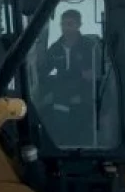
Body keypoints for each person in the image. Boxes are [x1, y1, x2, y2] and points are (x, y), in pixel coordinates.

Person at [35, 9, 102, 147]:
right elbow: (42, 72)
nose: (66, 28)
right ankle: (58, 141)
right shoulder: (55, 48)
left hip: (86, 91)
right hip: (62, 92)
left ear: (79, 25)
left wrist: (86, 75)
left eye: (70, 24)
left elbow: (96, 73)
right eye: (63, 24)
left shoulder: (90, 47)